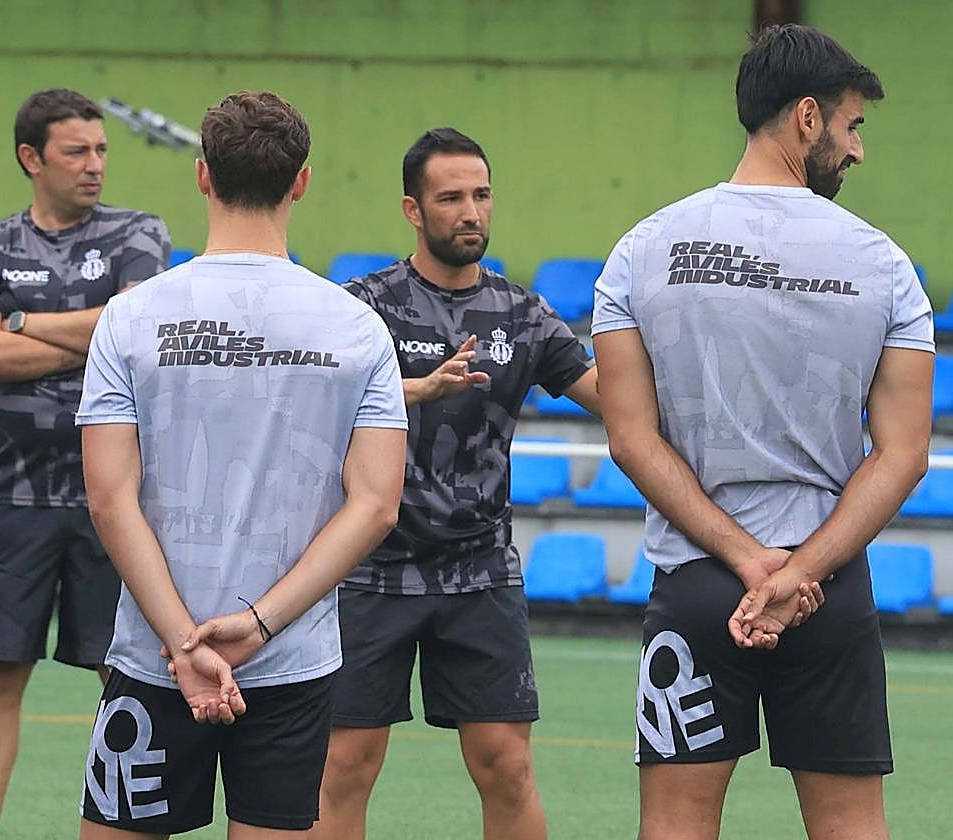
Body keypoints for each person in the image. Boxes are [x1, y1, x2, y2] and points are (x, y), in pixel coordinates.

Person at [591, 24, 933, 840]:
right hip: (829, 586)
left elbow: (631, 441)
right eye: (853, 127)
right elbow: (906, 453)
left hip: (698, 584)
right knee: (852, 824)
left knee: (674, 824)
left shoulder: (639, 252)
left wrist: (749, 564)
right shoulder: (885, 264)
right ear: (807, 118)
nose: (857, 151)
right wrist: (799, 572)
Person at [74, 88, 407, 838]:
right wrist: (258, 625)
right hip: (291, 658)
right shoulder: (357, 327)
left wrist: (183, 645)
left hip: (153, 654)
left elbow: (108, 499)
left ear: (202, 176)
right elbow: (377, 504)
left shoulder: (131, 316)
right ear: (301, 181)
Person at [313, 128, 601, 840]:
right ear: (413, 210)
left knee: (506, 766)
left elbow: (615, 399)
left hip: (481, 573)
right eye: (451, 198)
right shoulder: (361, 306)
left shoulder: (523, 314)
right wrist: (410, 389)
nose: (470, 211)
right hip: (369, 570)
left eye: (481, 194)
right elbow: (308, 406)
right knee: (344, 765)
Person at [0, 88, 172, 839]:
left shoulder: (141, 233)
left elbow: (136, 329)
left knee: (125, 681)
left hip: (113, 499)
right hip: (7, 499)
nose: (95, 165)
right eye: (77, 151)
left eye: (102, 150)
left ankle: (121, 828)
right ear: (31, 159)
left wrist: (24, 323)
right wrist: (90, 330)